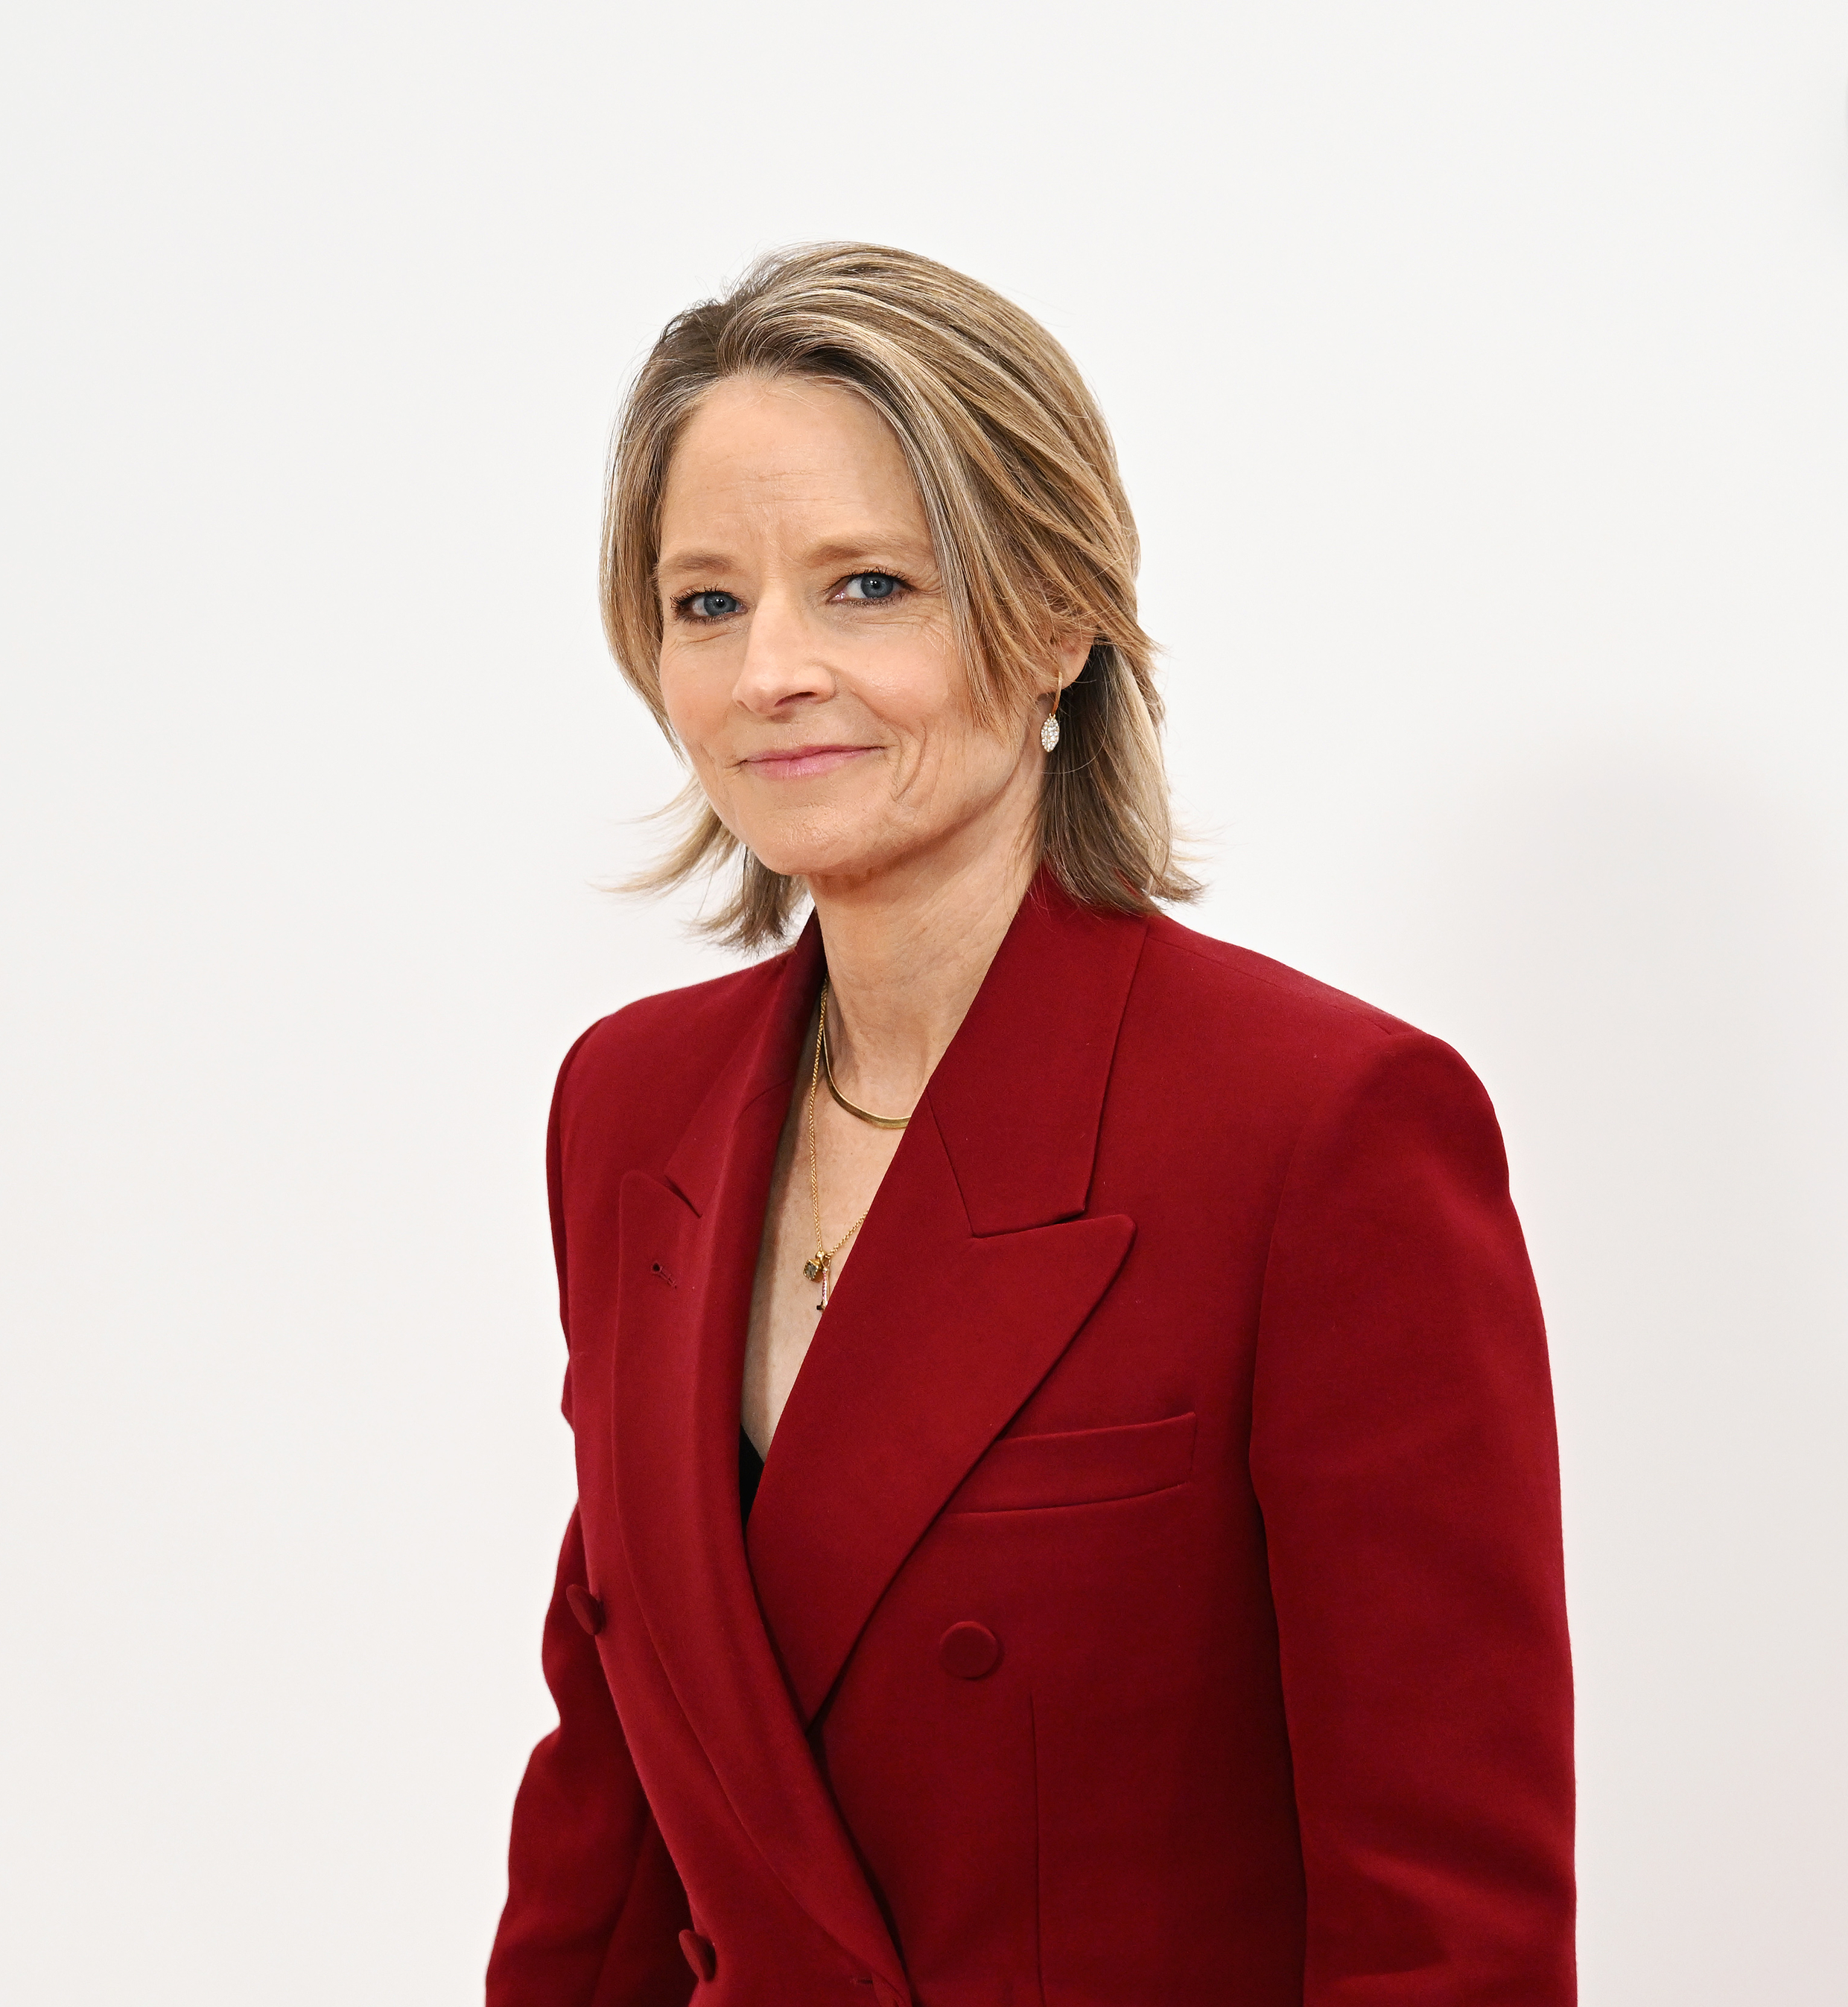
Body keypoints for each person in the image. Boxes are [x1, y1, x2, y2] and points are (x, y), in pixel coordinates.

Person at [488, 244, 1573, 2007]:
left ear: (1055, 617)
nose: (769, 671)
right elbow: (613, 1788)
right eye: (705, 603)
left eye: (865, 587)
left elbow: (1445, 1920)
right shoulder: (630, 1103)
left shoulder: (1319, 1130)